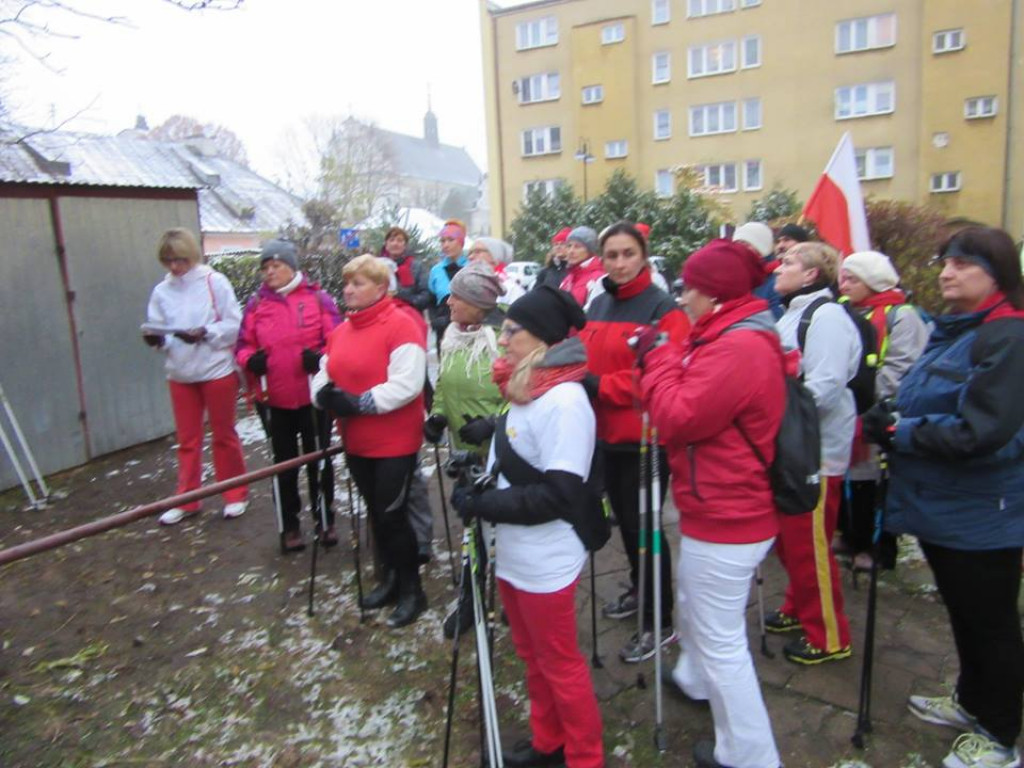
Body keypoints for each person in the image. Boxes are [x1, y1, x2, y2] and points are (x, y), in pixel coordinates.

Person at [862, 226, 1024, 768]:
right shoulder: (960, 329)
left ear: (996, 275)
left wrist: (901, 431)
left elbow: (985, 433)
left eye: (962, 265)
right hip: (949, 507)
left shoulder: (1009, 337)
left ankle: (1001, 737)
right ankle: (972, 702)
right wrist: (891, 416)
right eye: (945, 263)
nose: (946, 273)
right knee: (964, 615)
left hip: (984, 513)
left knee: (991, 623)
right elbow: (932, 398)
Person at [640, 239, 784, 768]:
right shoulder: (727, 333)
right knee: (704, 619)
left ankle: (751, 755)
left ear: (714, 294)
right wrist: (669, 353)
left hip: (729, 513)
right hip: (720, 503)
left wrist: (655, 358)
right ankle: (693, 678)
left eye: (688, 288)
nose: (682, 298)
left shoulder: (738, 347)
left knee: (723, 642)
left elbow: (677, 417)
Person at [451, 286, 604, 768]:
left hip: (546, 556)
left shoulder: (565, 400)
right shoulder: (527, 382)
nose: (501, 339)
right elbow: (521, 443)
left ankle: (584, 757)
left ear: (538, 338)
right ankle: (549, 743)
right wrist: (489, 441)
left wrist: (484, 503)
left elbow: (560, 492)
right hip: (515, 551)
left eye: (511, 331)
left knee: (559, 663)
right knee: (532, 656)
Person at [579, 222, 690, 663]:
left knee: (644, 528)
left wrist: (599, 384)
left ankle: (659, 618)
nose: (620, 263)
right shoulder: (599, 302)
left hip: (643, 439)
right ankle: (640, 588)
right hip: (602, 434)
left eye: (628, 254)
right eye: (612, 255)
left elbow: (660, 376)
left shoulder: (664, 310)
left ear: (643, 256)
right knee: (626, 524)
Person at [312, 254, 427, 628]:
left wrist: (359, 402)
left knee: (393, 516)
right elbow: (324, 370)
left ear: (381, 288)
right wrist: (323, 395)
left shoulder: (401, 325)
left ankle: (413, 590)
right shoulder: (342, 330)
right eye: (346, 283)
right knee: (378, 516)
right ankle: (391, 580)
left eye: (358, 283)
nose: (348, 289)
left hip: (394, 440)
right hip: (357, 440)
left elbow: (407, 385)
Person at [768, 241, 861, 664]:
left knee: (809, 545)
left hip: (817, 452)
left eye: (787, 262)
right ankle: (797, 604)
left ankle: (828, 635)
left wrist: (771, 415)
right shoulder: (793, 313)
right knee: (793, 542)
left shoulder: (826, 317)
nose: (777, 267)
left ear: (811, 275)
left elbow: (824, 386)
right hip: (795, 447)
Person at [236, 240, 341, 553]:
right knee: (283, 464)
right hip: (274, 398)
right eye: (265, 268)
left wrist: (320, 357)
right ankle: (290, 525)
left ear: (292, 267)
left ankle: (325, 519)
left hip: (312, 396)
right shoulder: (256, 304)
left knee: (319, 458)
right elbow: (242, 345)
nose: (270, 272)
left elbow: (337, 340)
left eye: (276, 266)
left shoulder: (318, 298)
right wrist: (248, 360)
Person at [422, 262, 508, 638]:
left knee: (502, 526)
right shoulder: (453, 334)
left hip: (502, 450)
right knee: (473, 525)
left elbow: (527, 389)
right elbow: (443, 381)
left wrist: (493, 422)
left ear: (478, 302)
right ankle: (472, 598)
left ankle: (507, 596)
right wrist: (438, 414)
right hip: (464, 448)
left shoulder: (504, 337)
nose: (449, 301)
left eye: (457, 296)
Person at [143, 228, 248, 525]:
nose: (175, 267)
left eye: (179, 260)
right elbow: (158, 327)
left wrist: (206, 333)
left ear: (191, 256)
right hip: (180, 372)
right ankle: (187, 498)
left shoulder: (215, 282)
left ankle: (235, 493)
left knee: (223, 434)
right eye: (168, 261)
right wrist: (157, 341)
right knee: (187, 439)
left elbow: (233, 323)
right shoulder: (162, 291)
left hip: (215, 369)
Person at [836, 250, 930, 572]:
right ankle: (852, 535)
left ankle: (879, 547)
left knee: (877, 483)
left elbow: (903, 367)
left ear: (873, 281)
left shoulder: (902, 316)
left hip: (880, 410)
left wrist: (863, 395)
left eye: (852, 278)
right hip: (849, 408)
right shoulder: (843, 311)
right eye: (843, 277)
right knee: (853, 478)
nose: (843, 284)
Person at [427, 219, 469, 343]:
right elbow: (431, 301)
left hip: (467, 326)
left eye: (451, 240)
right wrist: (435, 321)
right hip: (443, 329)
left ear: (461, 242)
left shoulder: (471, 267)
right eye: (442, 241)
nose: (446, 245)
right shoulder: (436, 270)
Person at [734, 221, 784, 319]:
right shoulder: (736, 279)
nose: (739, 249)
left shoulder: (776, 282)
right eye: (736, 244)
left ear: (761, 247)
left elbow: (775, 323)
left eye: (745, 244)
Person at [380, 226, 432, 313]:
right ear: (386, 245)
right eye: (391, 240)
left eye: (399, 240)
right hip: (381, 314)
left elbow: (426, 295)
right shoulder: (377, 266)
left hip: (410, 314)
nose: (395, 243)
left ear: (405, 245)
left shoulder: (417, 267)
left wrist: (406, 301)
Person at [468, 236, 523, 306]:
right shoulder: (469, 284)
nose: (470, 257)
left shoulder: (511, 289)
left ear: (495, 257)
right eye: (470, 253)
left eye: (477, 252)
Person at [559, 226, 605, 310]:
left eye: (577, 247)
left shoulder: (599, 279)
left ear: (590, 250)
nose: (571, 251)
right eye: (569, 246)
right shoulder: (568, 279)